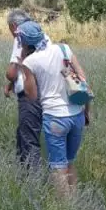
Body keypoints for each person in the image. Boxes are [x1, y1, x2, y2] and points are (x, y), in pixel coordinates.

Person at [17, 21, 89, 192]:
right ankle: (75, 201)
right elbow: (83, 80)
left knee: (58, 166)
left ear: (26, 43)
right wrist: (87, 111)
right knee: (70, 161)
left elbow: (32, 95)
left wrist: (23, 66)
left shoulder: (30, 62)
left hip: (55, 118)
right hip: (76, 114)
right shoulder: (64, 49)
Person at [4, 9, 43, 169]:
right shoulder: (39, 33)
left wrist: (10, 80)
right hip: (43, 88)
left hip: (30, 94)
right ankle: (23, 172)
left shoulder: (21, 37)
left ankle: (32, 182)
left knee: (28, 139)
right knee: (25, 134)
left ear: (13, 26)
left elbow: (12, 72)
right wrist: (10, 86)